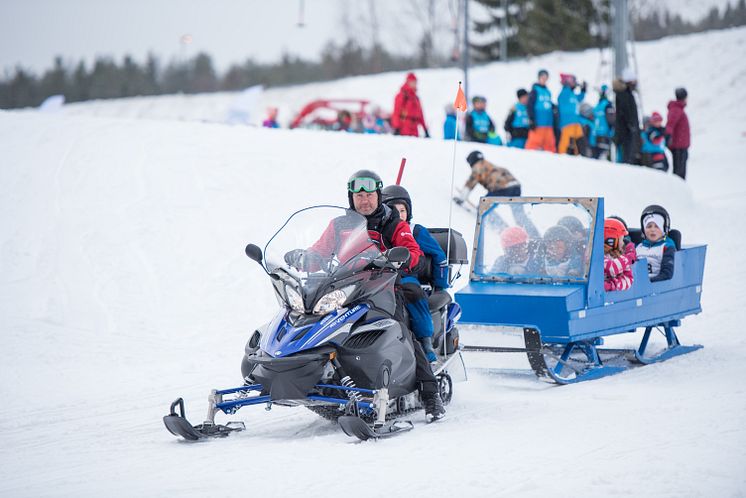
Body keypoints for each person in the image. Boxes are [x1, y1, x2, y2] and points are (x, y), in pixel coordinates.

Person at [346, 170, 445, 419]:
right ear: (351, 199)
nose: (364, 201)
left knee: (402, 332)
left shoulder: (394, 224)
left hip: (387, 289)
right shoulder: (342, 224)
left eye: (369, 195)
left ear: (378, 196)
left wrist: (401, 259)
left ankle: (431, 395)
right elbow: (323, 249)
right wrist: (308, 257)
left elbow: (413, 252)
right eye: (359, 196)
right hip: (349, 288)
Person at [382, 185, 449, 362]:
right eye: (393, 210)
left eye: (402, 210)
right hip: (379, 277)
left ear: (408, 211)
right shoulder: (379, 228)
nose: (399, 214)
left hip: (406, 275)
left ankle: (425, 341)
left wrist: (441, 284)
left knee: (412, 294)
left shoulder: (415, 231)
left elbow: (439, 256)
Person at [454, 150, 521, 206]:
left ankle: (488, 217)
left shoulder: (478, 167)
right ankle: (521, 220)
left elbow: (470, 184)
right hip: (516, 186)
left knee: (483, 205)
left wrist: (461, 199)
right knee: (517, 209)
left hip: (502, 188)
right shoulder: (491, 166)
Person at [636, 204, 676, 282]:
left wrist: (648, 282)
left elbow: (667, 274)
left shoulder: (667, 247)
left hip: (656, 287)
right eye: (649, 226)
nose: (652, 230)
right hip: (637, 287)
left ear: (664, 228)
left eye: (657, 226)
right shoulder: (639, 247)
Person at [613, 68, 641, 165]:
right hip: (625, 133)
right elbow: (628, 114)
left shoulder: (625, 94)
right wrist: (632, 126)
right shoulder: (625, 95)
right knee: (626, 159)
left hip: (624, 132)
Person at [525, 69, 557, 152]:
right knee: (534, 142)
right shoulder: (535, 91)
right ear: (539, 78)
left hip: (548, 123)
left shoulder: (547, 91)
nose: (544, 79)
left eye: (546, 77)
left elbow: (548, 104)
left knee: (550, 143)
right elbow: (530, 105)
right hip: (538, 122)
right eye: (542, 77)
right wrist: (531, 119)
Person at [391, 72, 429, 137]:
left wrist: (425, 129)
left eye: (416, 82)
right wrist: (396, 127)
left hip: (415, 129)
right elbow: (396, 112)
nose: (415, 84)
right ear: (408, 82)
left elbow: (420, 114)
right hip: (404, 128)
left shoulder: (416, 98)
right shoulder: (402, 96)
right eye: (413, 82)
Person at [557, 73, 587, 155]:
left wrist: (583, 91)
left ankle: (580, 156)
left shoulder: (571, 94)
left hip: (575, 122)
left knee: (580, 142)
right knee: (566, 143)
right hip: (567, 123)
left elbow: (578, 98)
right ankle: (561, 156)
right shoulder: (564, 93)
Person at [665, 87, 690, 180]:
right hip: (678, 146)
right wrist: (668, 136)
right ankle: (678, 190)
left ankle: (680, 188)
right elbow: (670, 124)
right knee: (679, 171)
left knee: (681, 170)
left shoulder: (678, 108)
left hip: (681, 144)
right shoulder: (676, 109)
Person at [603, 218, 634, 291]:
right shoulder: (598, 255)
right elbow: (612, 267)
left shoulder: (619, 255)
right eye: (621, 239)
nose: (623, 243)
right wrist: (627, 258)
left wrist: (612, 285)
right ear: (611, 240)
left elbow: (628, 279)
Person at [592, 85, 615, 160]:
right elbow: (612, 121)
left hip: (596, 135)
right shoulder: (608, 105)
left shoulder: (598, 106)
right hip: (605, 135)